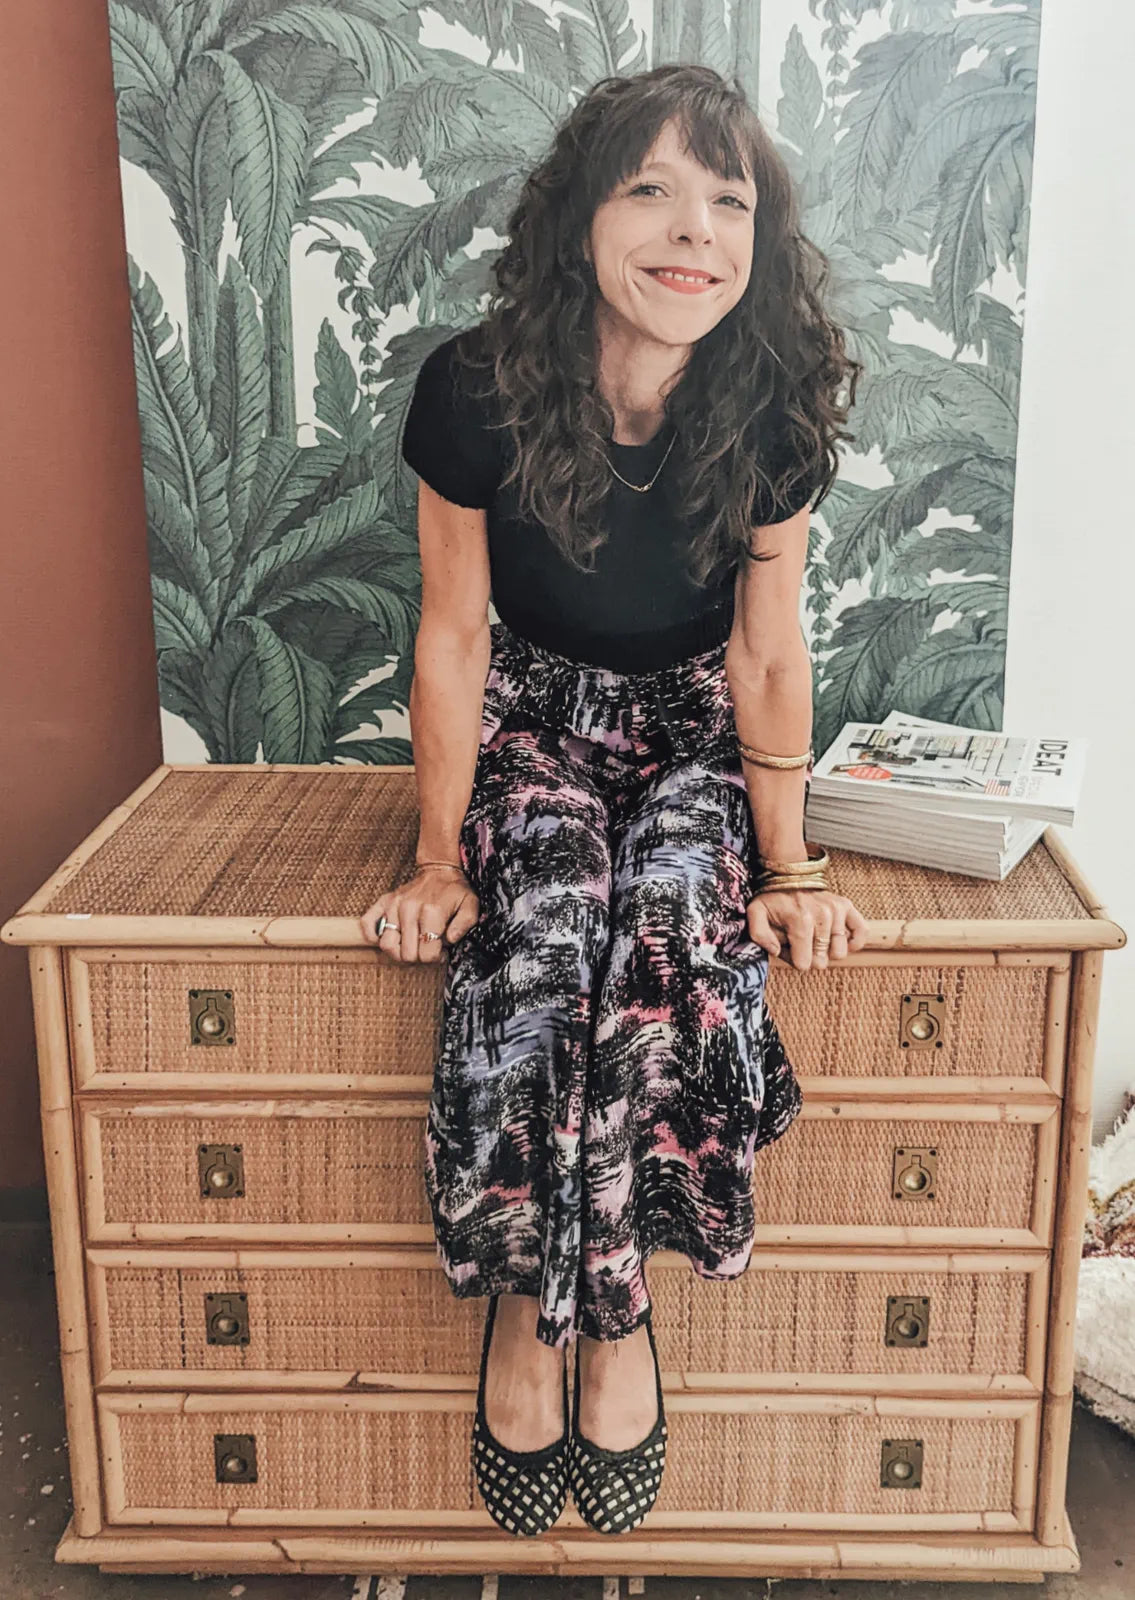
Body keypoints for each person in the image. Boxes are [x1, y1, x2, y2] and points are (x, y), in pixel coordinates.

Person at [360, 63, 870, 1539]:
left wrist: (790, 873)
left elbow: (769, 649)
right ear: (584, 214)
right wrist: (436, 856)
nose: (690, 228)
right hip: (535, 717)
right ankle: (532, 1308)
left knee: (663, 925)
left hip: (696, 735)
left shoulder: (773, 405)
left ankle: (621, 1312)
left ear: (757, 239)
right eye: (650, 187)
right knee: (550, 920)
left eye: (728, 198)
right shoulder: (474, 388)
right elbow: (453, 633)